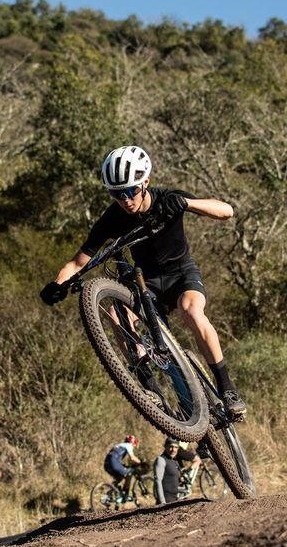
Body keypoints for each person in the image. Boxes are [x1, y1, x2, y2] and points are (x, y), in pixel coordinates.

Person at [40, 144, 245, 419]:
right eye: (116, 193)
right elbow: (78, 262)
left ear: (145, 181)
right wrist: (57, 284)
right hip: (146, 283)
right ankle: (149, 387)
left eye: (130, 191)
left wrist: (187, 203)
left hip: (181, 274)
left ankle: (227, 388)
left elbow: (226, 211)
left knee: (191, 311)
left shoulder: (166, 198)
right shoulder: (112, 218)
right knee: (116, 315)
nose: (124, 199)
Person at [103, 434, 141, 501]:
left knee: (120, 477)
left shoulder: (120, 445)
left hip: (107, 464)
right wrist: (140, 462)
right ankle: (126, 495)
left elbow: (116, 458)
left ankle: (108, 495)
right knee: (128, 473)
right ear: (132, 442)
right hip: (113, 462)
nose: (135, 445)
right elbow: (132, 457)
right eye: (134, 443)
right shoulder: (128, 445)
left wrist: (124, 465)